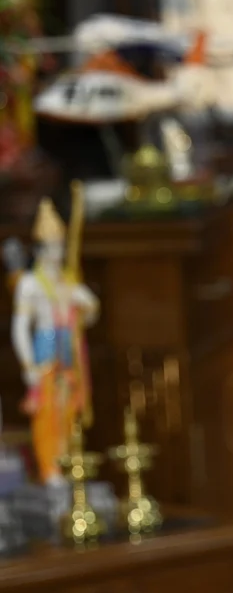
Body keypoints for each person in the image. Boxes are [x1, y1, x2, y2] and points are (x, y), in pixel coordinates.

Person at [11, 198, 98, 486]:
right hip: (45, 347)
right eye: (51, 247)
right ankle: (50, 467)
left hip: (67, 348)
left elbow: (89, 314)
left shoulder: (67, 280)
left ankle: (68, 459)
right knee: (48, 410)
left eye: (60, 246)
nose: (57, 253)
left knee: (69, 406)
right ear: (38, 250)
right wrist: (27, 365)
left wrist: (85, 303)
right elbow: (20, 326)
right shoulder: (30, 284)